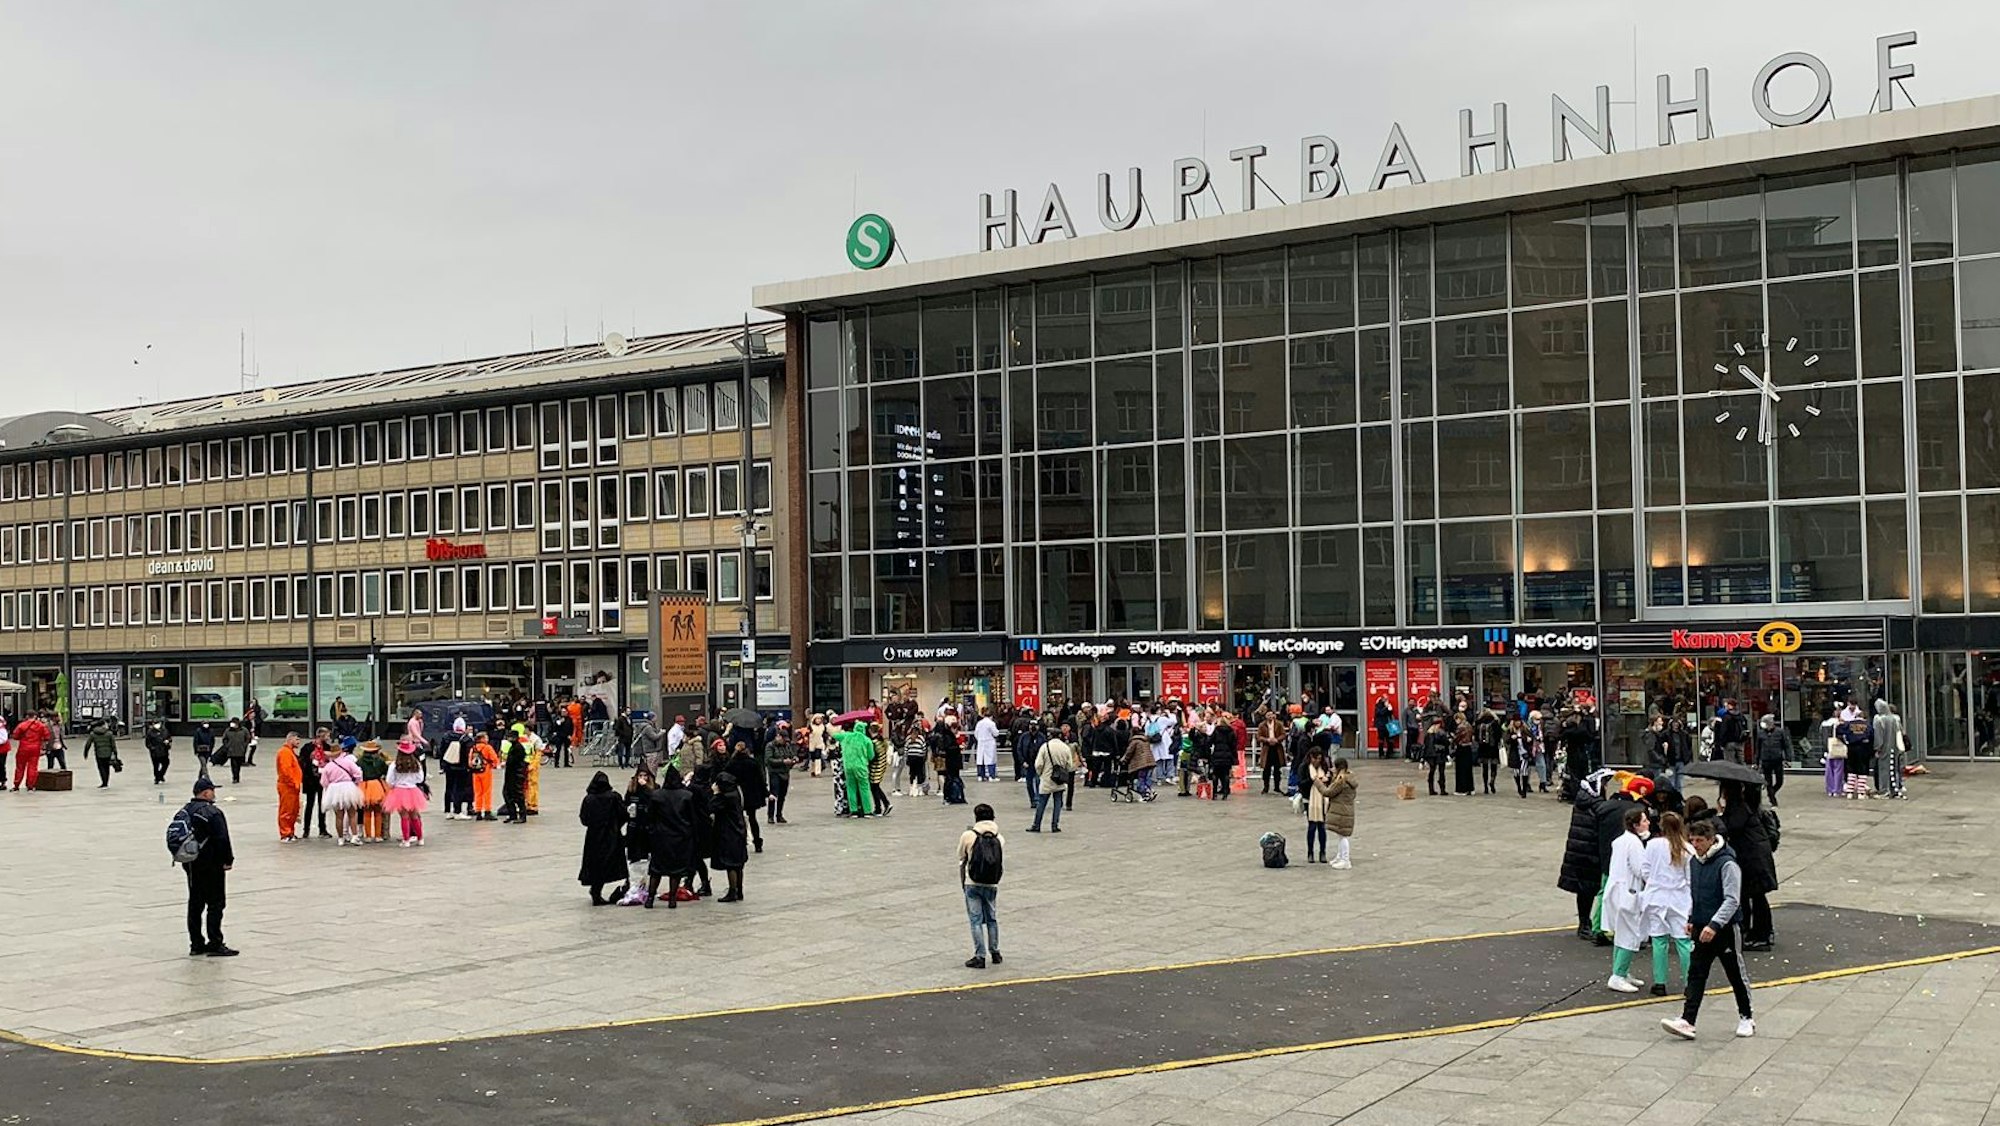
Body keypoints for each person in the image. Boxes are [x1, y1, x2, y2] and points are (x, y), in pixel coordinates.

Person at [1660, 818, 1755, 1041]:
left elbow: (1732, 900)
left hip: (1724, 929)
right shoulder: (1694, 862)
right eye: (1692, 840)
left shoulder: (1727, 864)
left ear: (1711, 839)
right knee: (1696, 973)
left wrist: (1715, 924)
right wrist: (1693, 918)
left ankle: (1746, 1016)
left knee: (1735, 973)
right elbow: (1695, 893)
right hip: (1702, 926)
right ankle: (1688, 1019)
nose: (1695, 845)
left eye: (1700, 840)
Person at [179, 778, 237, 957]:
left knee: (195, 904)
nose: (214, 793)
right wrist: (228, 860)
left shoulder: (185, 811)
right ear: (205, 793)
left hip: (191, 863)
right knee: (216, 903)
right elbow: (222, 839)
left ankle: (196, 943)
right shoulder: (213, 812)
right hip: (211, 864)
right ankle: (215, 942)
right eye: (212, 790)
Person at [1717, 779, 1778, 950]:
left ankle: (1762, 934)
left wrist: (1720, 816)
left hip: (1753, 858)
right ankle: (1751, 931)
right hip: (1751, 856)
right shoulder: (1743, 806)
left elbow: (1732, 827)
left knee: (1756, 896)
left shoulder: (1739, 807)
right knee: (1748, 896)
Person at [1641, 811, 1695, 998]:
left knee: (1659, 940)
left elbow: (1645, 870)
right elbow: (1690, 879)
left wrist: (1654, 881)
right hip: (1679, 899)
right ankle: (1690, 983)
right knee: (1683, 942)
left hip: (1656, 897)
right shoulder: (1688, 849)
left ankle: (1659, 982)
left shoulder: (1653, 845)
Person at [1603, 805, 1652, 993]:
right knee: (1630, 934)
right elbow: (1641, 869)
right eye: (1644, 820)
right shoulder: (1634, 843)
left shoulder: (1620, 841)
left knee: (1622, 933)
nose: (1648, 822)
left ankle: (1622, 971)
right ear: (1636, 825)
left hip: (1616, 890)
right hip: (1628, 893)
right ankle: (1618, 975)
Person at [1556, 771, 1609, 941]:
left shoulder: (1583, 802)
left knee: (1584, 891)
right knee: (1588, 890)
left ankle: (1584, 923)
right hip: (1588, 852)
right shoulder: (1596, 805)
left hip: (1579, 851)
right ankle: (1586, 924)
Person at [957, 802, 1004, 969]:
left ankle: (980, 955)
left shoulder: (968, 836)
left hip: (973, 882)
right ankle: (995, 951)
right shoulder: (999, 837)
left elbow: (961, 856)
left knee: (976, 920)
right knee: (992, 918)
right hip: (992, 882)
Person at [578, 771, 629, 906]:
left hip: (593, 837)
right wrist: (616, 825)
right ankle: (622, 887)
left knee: (595, 864)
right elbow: (624, 814)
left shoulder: (589, 799)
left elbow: (584, 819)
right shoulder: (614, 797)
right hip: (611, 835)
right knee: (611, 862)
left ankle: (596, 890)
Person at [711, 772, 751, 902]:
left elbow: (711, 807)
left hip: (728, 832)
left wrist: (715, 794)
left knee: (731, 864)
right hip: (739, 831)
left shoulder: (725, 797)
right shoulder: (735, 793)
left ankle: (732, 891)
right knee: (738, 864)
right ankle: (739, 890)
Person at [1027, 726, 1075, 833]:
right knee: (1058, 803)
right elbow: (1069, 765)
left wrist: (1041, 774)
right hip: (1060, 780)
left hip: (1047, 779)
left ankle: (1036, 825)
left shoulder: (1045, 747)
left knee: (1042, 803)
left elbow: (1038, 764)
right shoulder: (1065, 748)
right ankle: (1054, 825)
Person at [725, 741, 769, 851]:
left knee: (738, 819)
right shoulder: (753, 763)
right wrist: (765, 793)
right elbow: (761, 778)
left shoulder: (731, 763)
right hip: (751, 794)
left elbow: (726, 778)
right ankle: (757, 842)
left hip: (737, 794)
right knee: (753, 819)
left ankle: (741, 841)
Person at [383, 745, 429, 846]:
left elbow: (389, 780)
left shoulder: (394, 765)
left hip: (399, 790)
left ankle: (406, 839)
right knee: (415, 815)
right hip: (413, 790)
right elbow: (420, 779)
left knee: (404, 816)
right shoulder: (416, 764)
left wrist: (395, 784)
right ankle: (420, 838)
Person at [321, 739, 365, 845]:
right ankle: (354, 836)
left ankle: (341, 838)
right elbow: (358, 773)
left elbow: (323, 782)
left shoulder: (328, 766)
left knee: (339, 816)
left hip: (334, 789)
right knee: (352, 814)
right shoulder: (347, 762)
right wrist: (357, 782)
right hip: (348, 787)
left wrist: (329, 788)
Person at [1873, 699, 1908, 800]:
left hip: (1884, 749)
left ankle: (1884, 790)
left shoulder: (1879, 720)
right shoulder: (1894, 719)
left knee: (1883, 769)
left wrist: (1877, 748)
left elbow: (1878, 737)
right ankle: (1894, 789)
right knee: (1893, 769)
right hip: (1894, 748)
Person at [356, 740, 390, 841]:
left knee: (366, 812)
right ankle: (378, 835)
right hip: (377, 785)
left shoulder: (360, 761)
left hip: (364, 786)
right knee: (378, 812)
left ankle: (368, 836)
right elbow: (385, 771)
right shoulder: (379, 761)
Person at [765, 724, 797, 824]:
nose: (784, 741)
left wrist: (794, 759)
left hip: (785, 773)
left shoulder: (787, 746)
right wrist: (783, 761)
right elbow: (769, 760)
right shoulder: (770, 746)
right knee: (773, 795)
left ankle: (779, 815)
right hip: (775, 773)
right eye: (783, 739)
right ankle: (770, 816)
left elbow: (791, 754)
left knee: (782, 795)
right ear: (778, 737)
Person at [1755, 716, 1789, 807]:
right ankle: (1773, 800)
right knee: (1768, 781)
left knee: (1779, 781)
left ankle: (1771, 793)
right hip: (1766, 759)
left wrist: (1787, 758)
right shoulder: (1760, 734)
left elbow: (1785, 745)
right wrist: (1757, 761)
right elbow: (1758, 748)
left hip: (1777, 759)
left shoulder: (1780, 732)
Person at [275, 734, 304, 842]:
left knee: (293, 810)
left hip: (293, 786)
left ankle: (290, 832)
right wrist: (293, 782)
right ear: (290, 739)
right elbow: (285, 770)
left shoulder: (290, 752)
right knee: (286, 810)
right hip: (287, 786)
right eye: (296, 739)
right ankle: (285, 833)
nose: (298, 742)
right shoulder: (284, 752)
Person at [11, 710, 49, 791]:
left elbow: (15, 736)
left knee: (20, 767)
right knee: (33, 767)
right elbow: (47, 736)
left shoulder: (22, 725)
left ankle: (17, 785)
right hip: (35, 748)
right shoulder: (41, 725)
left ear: (27, 716)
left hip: (23, 748)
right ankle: (30, 786)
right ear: (35, 716)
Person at [300, 732, 327, 838]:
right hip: (310, 779)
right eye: (326, 736)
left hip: (322, 780)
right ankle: (306, 830)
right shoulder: (307, 747)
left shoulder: (327, 747)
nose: (327, 738)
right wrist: (309, 759)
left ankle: (322, 829)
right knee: (309, 804)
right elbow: (302, 761)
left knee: (322, 805)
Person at [500, 728, 530, 823]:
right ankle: (512, 814)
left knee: (518, 795)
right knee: (507, 794)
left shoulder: (518, 748)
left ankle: (522, 815)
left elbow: (515, 761)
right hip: (510, 775)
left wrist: (507, 762)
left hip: (516, 775)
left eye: (511, 737)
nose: (509, 739)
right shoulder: (513, 747)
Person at [469, 731, 500, 821]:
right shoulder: (487, 748)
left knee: (478, 792)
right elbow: (494, 759)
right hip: (485, 771)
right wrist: (494, 765)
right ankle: (487, 811)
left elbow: (470, 762)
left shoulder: (473, 748)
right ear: (482, 739)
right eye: (486, 737)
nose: (487, 739)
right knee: (487, 791)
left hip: (475, 773)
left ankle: (478, 811)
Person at [1208, 714, 1238, 800]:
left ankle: (1214, 794)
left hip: (1217, 754)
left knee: (1215, 775)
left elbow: (1209, 741)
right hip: (1227, 755)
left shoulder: (1216, 731)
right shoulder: (1231, 731)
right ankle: (1225, 793)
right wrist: (1234, 758)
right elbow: (1234, 745)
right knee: (1225, 775)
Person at [1257, 710, 1288, 795]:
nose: (1270, 716)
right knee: (1266, 769)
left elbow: (1283, 734)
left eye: (1272, 714)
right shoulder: (1262, 725)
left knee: (1277, 769)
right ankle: (1266, 787)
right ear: (1265, 716)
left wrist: (1277, 740)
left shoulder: (1279, 724)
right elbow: (1259, 736)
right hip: (1267, 748)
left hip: (1277, 748)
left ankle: (1277, 787)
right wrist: (1266, 740)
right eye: (1268, 715)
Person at [83, 717, 119, 788]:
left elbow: (88, 744)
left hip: (99, 753)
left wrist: (86, 753)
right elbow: (113, 745)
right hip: (108, 753)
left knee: (101, 767)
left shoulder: (93, 734)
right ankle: (106, 782)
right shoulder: (109, 734)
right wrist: (115, 754)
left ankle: (103, 781)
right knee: (107, 768)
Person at [220, 718, 250, 785]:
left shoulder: (244, 730)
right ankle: (234, 777)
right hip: (231, 750)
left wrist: (244, 745)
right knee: (233, 765)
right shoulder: (228, 730)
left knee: (238, 765)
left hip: (240, 750)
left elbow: (247, 738)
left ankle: (237, 776)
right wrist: (227, 746)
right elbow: (224, 739)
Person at [973, 708, 1000, 782]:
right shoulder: (991, 723)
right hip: (989, 742)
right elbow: (995, 733)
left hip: (981, 742)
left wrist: (980, 739)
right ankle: (992, 776)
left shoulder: (979, 723)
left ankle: (980, 776)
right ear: (991, 716)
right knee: (990, 759)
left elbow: (976, 733)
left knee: (980, 759)